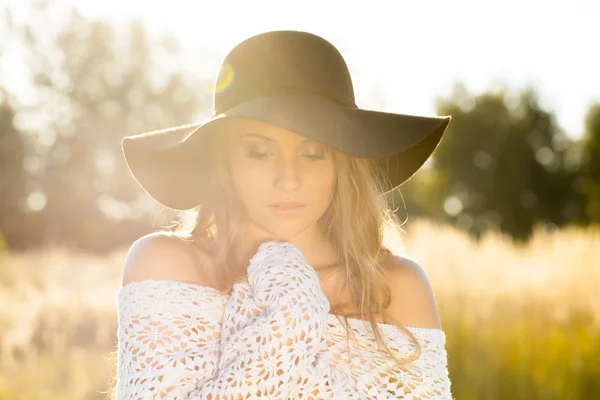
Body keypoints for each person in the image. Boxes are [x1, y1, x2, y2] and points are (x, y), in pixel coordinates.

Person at [116, 30, 453, 399]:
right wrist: (291, 311)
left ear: (341, 165)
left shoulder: (394, 288)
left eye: (313, 153)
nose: (288, 179)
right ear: (225, 160)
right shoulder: (168, 265)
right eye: (260, 152)